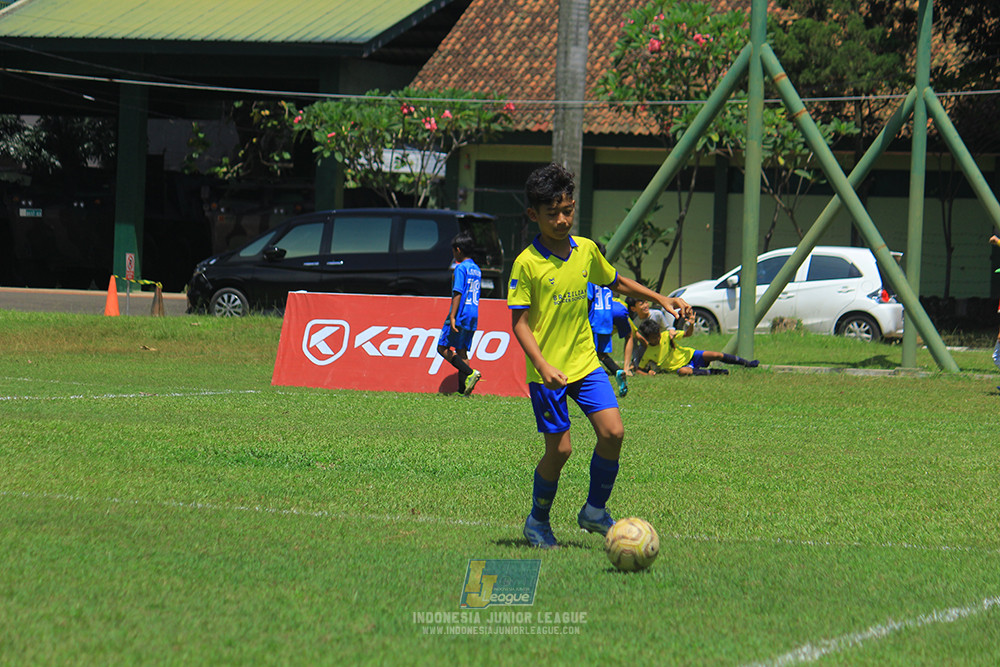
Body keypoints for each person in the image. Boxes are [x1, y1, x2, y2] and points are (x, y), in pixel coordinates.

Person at [507, 162, 692, 549]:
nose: (562, 220)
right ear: (532, 215)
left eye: (568, 210)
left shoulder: (586, 250)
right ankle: (537, 522)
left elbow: (617, 280)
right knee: (560, 451)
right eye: (552, 213)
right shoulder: (527, 263)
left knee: (613, 432)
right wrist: (542, 364)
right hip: (548, 372)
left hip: (586, 363)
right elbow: (519, 323)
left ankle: (593, 510)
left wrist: (660, 298)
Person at [436, 232, 482, 395]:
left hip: (460, 313)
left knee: (442, 347)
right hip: (473, 314)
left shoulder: (461, 268)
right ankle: (464, 390)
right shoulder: (476, 269)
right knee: (462, 350)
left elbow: (458, 292)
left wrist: (453, 316)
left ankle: (470, 373)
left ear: (458, 250)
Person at [635, 316, 758, 376]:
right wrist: (648, 374)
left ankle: (747, 363)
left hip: (690, 355)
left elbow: (688, 334)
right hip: (680, 367)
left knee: (716, 354)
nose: (658, 338)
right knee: (684, 371)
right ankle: (716, 373)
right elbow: (639, 369)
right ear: (647, 338)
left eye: (658, 335)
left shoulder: (667, 335)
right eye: (654, 337)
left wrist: (691, 324)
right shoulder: (648, 353)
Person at [588, 281, 634, 397]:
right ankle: (617, 371)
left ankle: (598, 385)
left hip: (595, 318)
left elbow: (587, 300)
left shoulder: (588, 280)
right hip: (608, 317)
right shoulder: (606, 282)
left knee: (588, 354)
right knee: (601, 354)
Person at [625, 296, 671, 369]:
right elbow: (634, 344)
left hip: (662, 344)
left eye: (646, 302)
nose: (645, 306)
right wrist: (635, 361)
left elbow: (668, 328)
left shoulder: (657, 314)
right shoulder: (635, 323)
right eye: (641, 304)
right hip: (647, 347)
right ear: (633, 309)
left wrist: (671, 332)